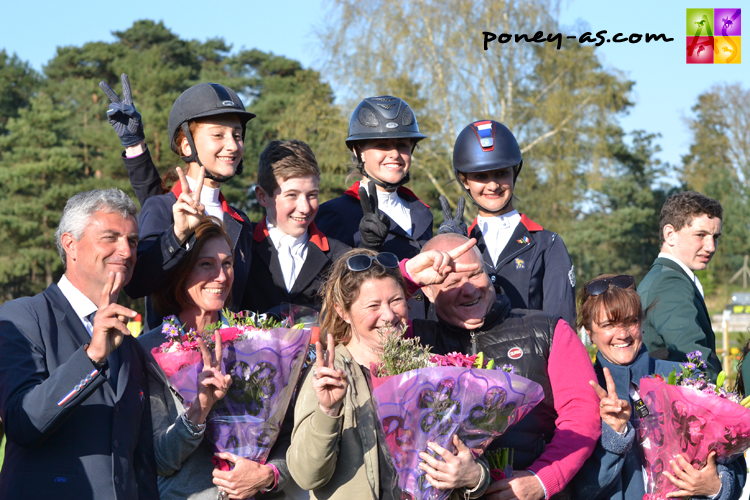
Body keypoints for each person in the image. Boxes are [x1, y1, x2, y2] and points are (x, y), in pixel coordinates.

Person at [287, 246, 490, 500]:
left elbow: (469, 457)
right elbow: (307, 476)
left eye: (395, 301)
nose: (389, 315)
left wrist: (475, 477)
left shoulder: (430, 368)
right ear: (342, 312)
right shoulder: (329, 374)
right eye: (373, 305)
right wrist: (328, 412)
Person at [408, 233, 600, 500]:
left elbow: (582, 416)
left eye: (475, 274)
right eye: (452, 282)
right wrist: (406, 279)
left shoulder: (548, 330)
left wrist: (543, 480)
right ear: (427, 291)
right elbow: (357, 321)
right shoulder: (411, 339)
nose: (469, 289)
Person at [0, 189, 158, 499]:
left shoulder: (129, 344)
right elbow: (22, 424)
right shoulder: (22, 316)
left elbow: (141, 461)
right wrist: (92, 357)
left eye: (133, 241)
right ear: (70, 244)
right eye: (110, 237)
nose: (126, 251)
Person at [138, 217, 289, 499]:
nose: (221, 276)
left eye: (227, 263)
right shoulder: (147, 350)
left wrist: (269, 474)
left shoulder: (258, 339)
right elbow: (159, 460)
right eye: (206, 264)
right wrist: (199, 410)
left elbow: (290, 434)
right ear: (180, 271)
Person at [99, 75, 256, 330]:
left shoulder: (241, 222)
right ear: (186, 145)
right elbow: (138, 283)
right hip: (169, 362)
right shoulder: (162, 208)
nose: (233, 145)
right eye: (219, 135)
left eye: (237, 135)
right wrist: (177, 234)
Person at [573, 274, 744, 500]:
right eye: (609, 325)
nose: (623, 334)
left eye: (631, 321)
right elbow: (580, 489)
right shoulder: (579, 392)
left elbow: (733, 461)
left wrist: (716, 487)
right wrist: (614, 436)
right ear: (588, 332)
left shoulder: (684, 378)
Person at [314, 95, 433, 318]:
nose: (395, 154)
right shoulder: (334, 214)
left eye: (402, 145)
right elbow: (330, 295)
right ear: (358, 151)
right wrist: (367, 251)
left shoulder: (422, 212)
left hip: (427, 339)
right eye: (382, 145)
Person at [451, 120, 576, 326]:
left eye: (501, 173)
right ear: (465, 180)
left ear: (514, 172)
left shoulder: (548, 244)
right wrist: (445, 246)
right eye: (481, 176)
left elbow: (563, 327)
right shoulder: (460, 243)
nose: (493, 185)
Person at [244, 140, 349, 313]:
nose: (305, 207)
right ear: (262, 196)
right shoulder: (242, 247)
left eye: (312, 195)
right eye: (292, 195)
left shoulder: (339, 257)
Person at [638, 191, 723, 379]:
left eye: (715, 237)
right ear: (670, 234)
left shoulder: (664, 276)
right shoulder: (669, 283)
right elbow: (693, 361)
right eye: (700, 235)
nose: (711, 246)